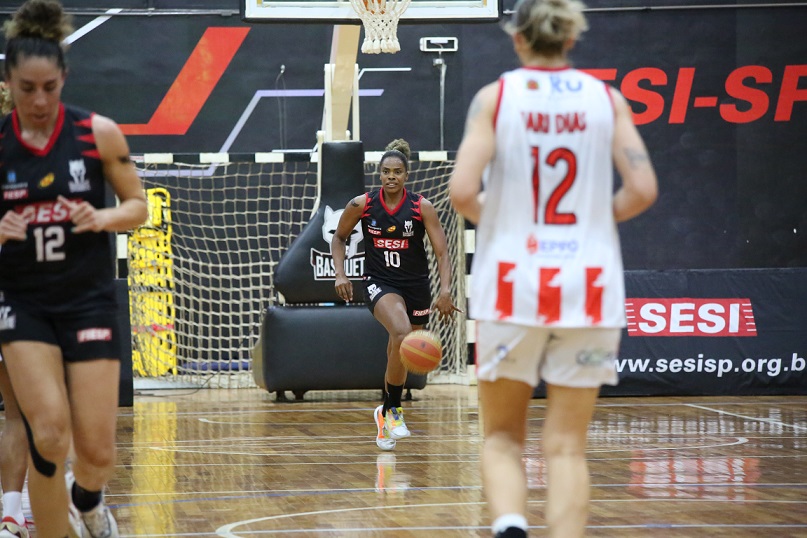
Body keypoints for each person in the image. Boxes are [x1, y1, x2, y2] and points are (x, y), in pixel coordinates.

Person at [449, 0, 658, 536]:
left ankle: (512, 524)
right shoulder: (606, 100)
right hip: (587, 286)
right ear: (571, 39)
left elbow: (462, 192)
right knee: (566, 448)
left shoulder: (496, 99)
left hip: (514, 281)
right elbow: (642, 190)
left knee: (500, 438)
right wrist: (587, 224)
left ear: (517, 39)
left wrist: (506, 228)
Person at [0, 1, 149, 537]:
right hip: (24, 303)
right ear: (8, 81)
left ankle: (87, 501)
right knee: (49, 433)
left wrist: (103, 215)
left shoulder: (97, 133)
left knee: (97, 451)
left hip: (88, 299)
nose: (39, 101)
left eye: (49, 87)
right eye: (26, 88)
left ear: (64, 78)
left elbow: (139, 207)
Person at [331, 139, 461, 451]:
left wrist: (445, 291)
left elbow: (442, 254)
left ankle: (385, 414)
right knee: (402, 333)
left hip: (416, 286)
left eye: (398, 172)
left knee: (400, 350)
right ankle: (394, 411)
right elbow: (339, 237)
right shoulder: (362, 204)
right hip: (380, 282)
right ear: (379, 174)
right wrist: (340, 272)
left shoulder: (421, 207)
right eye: (386, 171)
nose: (392, 176)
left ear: (406, 175)